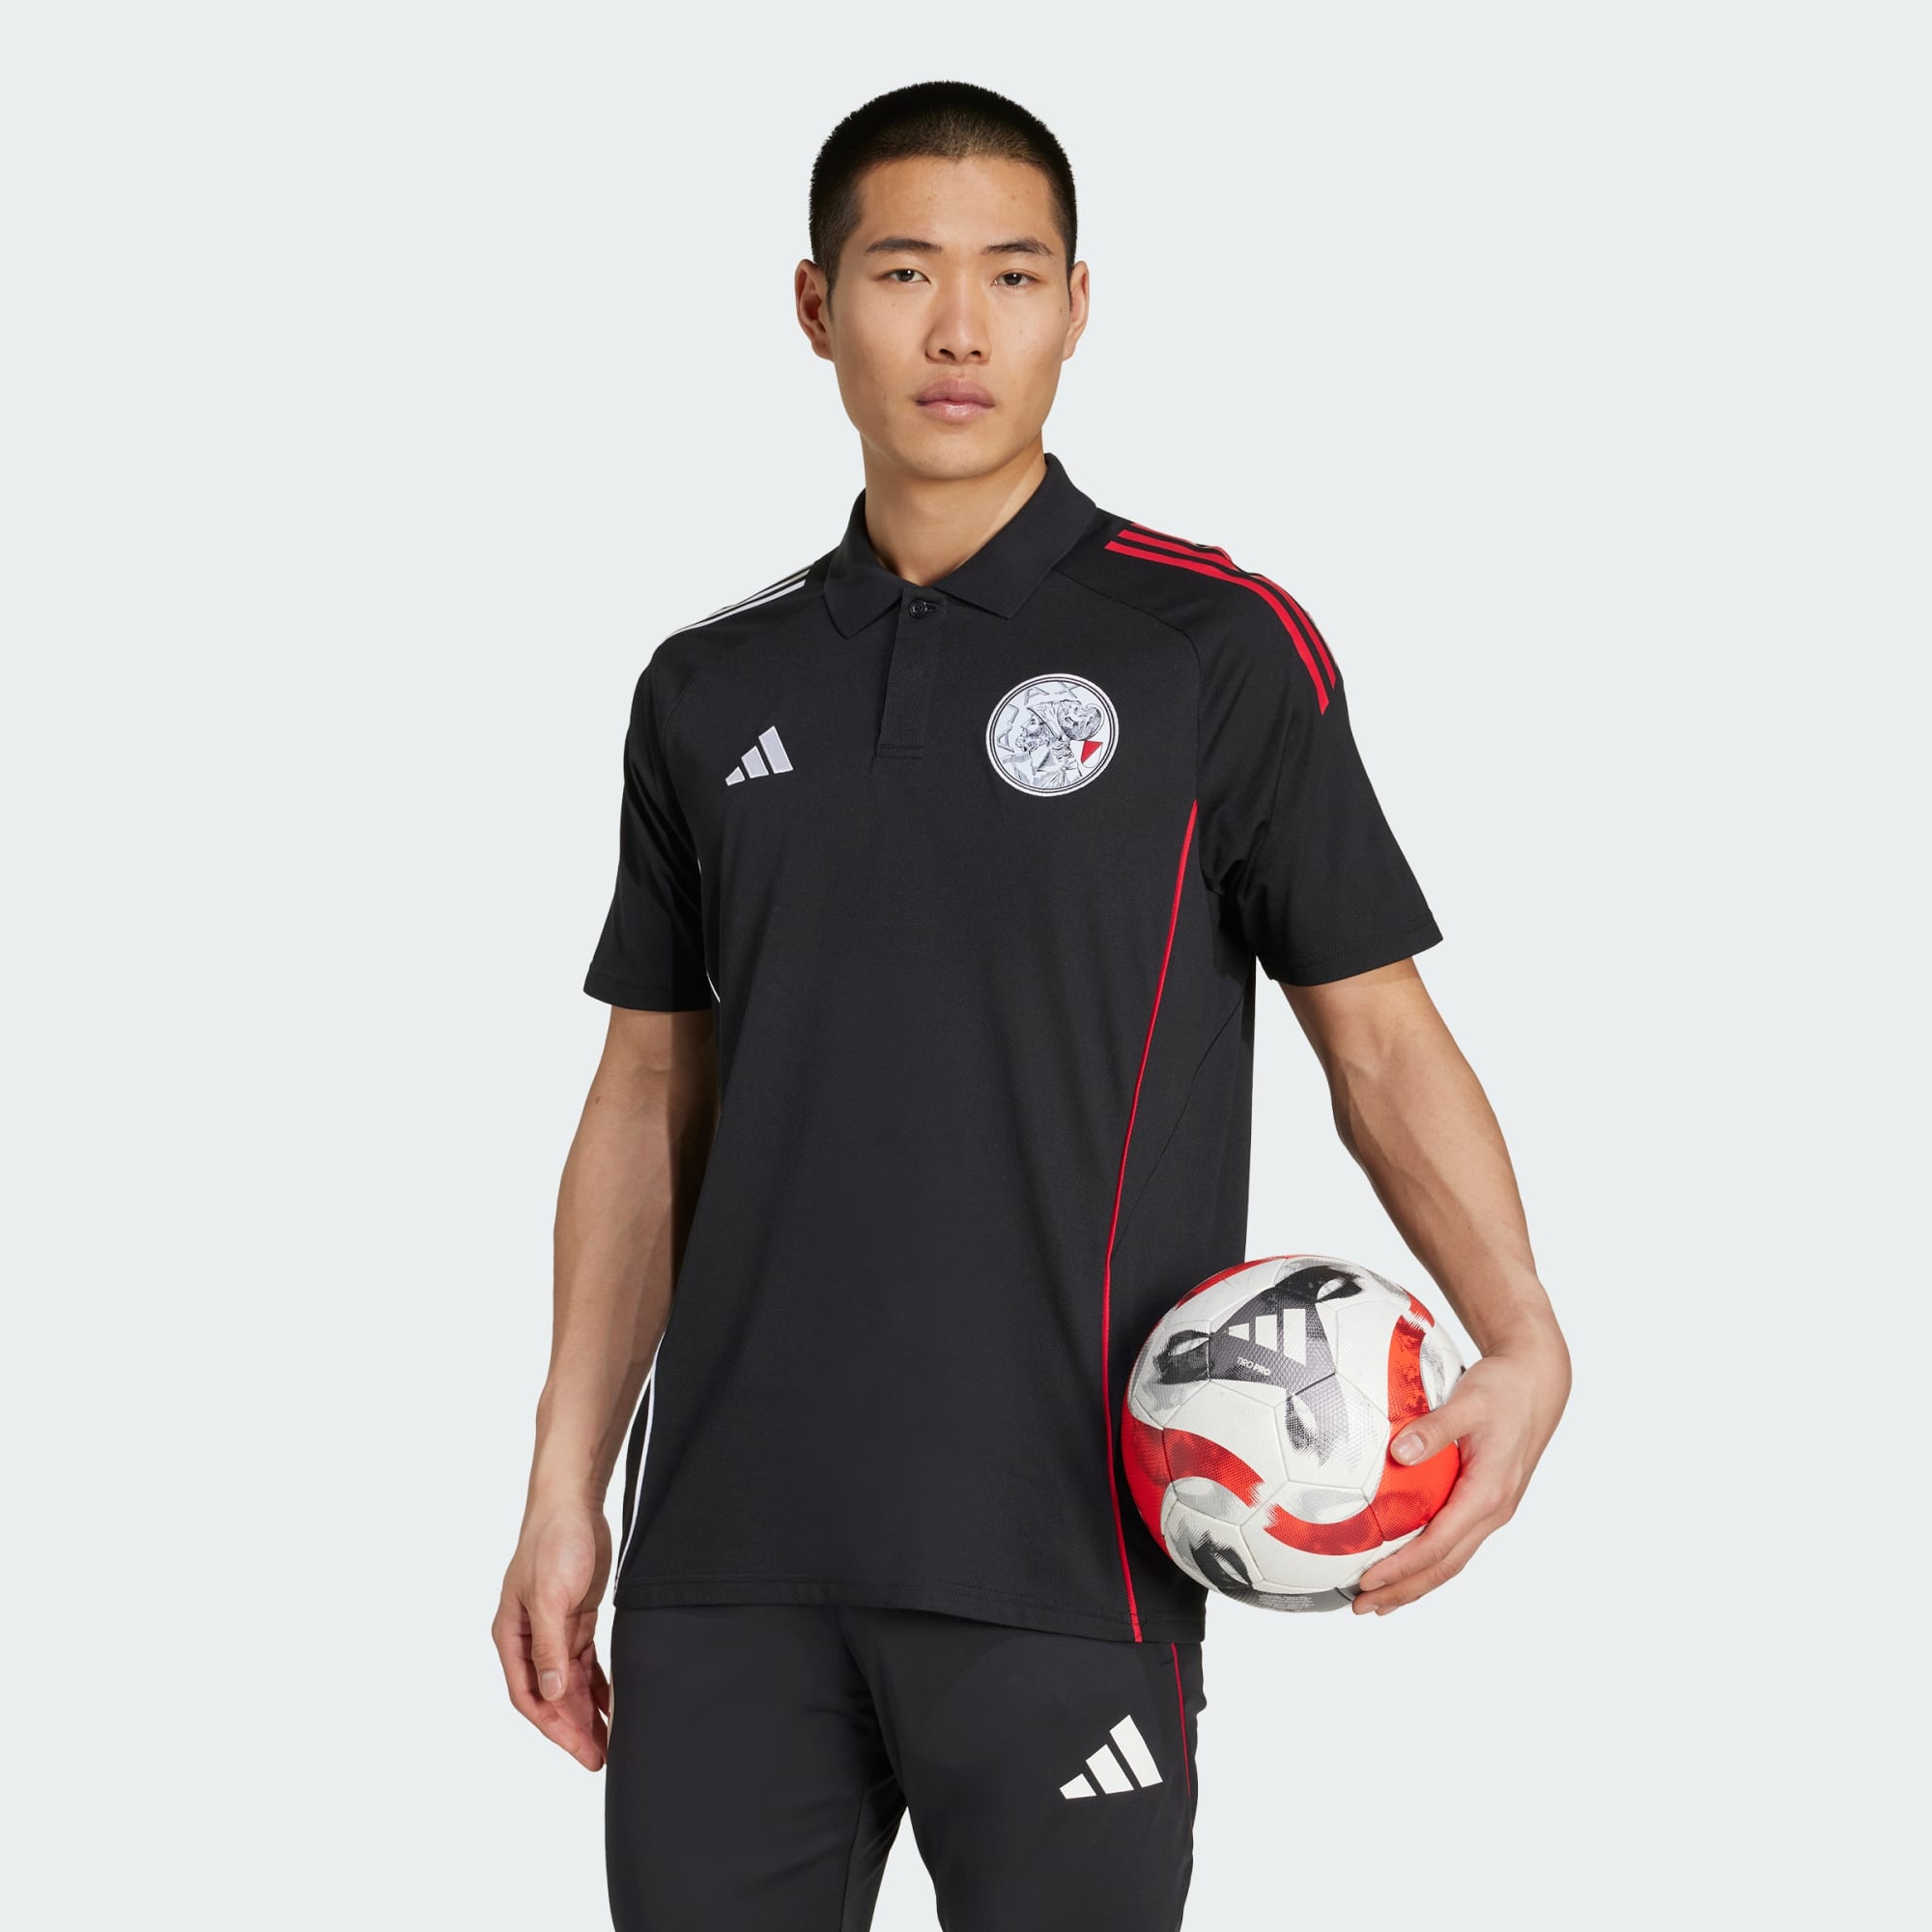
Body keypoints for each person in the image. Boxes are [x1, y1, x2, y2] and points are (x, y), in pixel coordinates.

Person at [493, 78, 1572, 1932]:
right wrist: (561, 1484)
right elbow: (646, 1101)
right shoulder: (705, 688)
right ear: (817, 305)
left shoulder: (1212, 648)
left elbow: (1380, 1036)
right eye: (904, 270)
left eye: (1011, 274)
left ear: (1079, 304)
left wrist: (1523, 1333)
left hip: (1069, 1552)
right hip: (729, 1559)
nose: (960, 328)